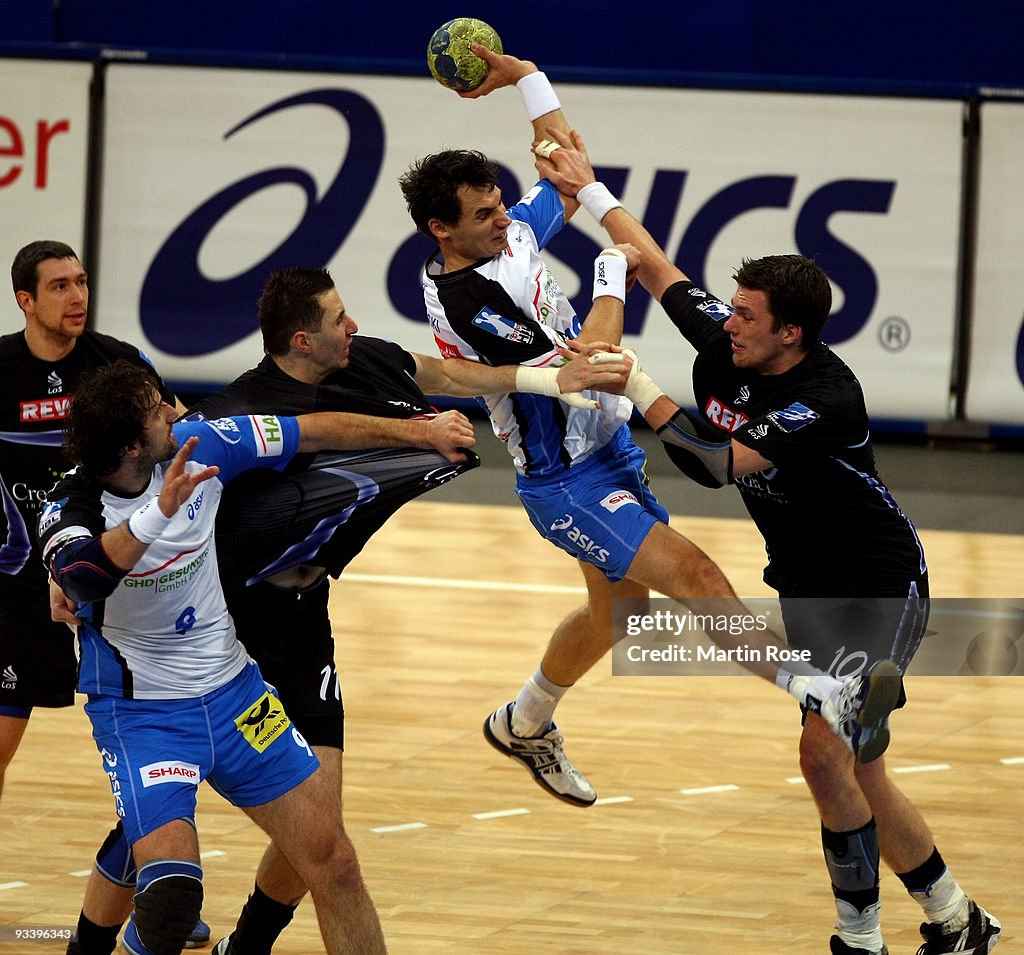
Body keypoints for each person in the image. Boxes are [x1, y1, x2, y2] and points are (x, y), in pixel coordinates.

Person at [529, 123, 1002, 954]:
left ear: (792, 333)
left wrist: (637, 381)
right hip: (806, 583)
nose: (729, 324)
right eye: (734, 310)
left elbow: (718, 466)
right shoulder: (729, 337)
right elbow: (652, 261)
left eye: (747, 316)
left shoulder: (827, 394)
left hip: (880, 585)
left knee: (825, 754)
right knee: (859, 767)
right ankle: (958, 916)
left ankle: (859, 934)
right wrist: (592, 188)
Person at [398, 47, 902, 813]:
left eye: (503, 203)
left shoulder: (506, 239)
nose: (507, 218)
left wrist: (527, 79)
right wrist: (609, 279)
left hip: (607, 447)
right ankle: (822, 691)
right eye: (484, 214)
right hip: (564, 481)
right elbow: (594, 361)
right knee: (697, 576)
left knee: (619, 615)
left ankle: (523, 720)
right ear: (441, 230)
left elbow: (566, 165)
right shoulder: (467, 300)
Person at [181, 264, 631, 955]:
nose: (352, 326)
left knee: (321, 825)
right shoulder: (242, 410)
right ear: (302, 341)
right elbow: (283, 443)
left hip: (303, 620)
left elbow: (445, 375)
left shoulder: (365, 362)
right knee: (171, 808)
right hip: (230, 627)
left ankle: (246, 943)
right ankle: (131, 881)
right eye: (338, 319)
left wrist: (547, 380)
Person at [38, 360, 472, 954]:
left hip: (239, 697)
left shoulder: (203, 444)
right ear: (133, 446)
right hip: (144, 718)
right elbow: (83, 576)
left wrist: (419, 434)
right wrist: (159, 511)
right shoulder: (72, 502)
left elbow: (311, 430)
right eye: (157, 409)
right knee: (168, 904)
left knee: (334, 862)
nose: (175, 409)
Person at [0, 240, 213, 949]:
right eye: (58, 285)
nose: (76, 295)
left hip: (116, 588)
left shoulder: (116, 363)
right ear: (25, 300)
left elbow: (179, 430)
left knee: (155, 750)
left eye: (82, 281)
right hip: (19, 591)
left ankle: (162, 889)